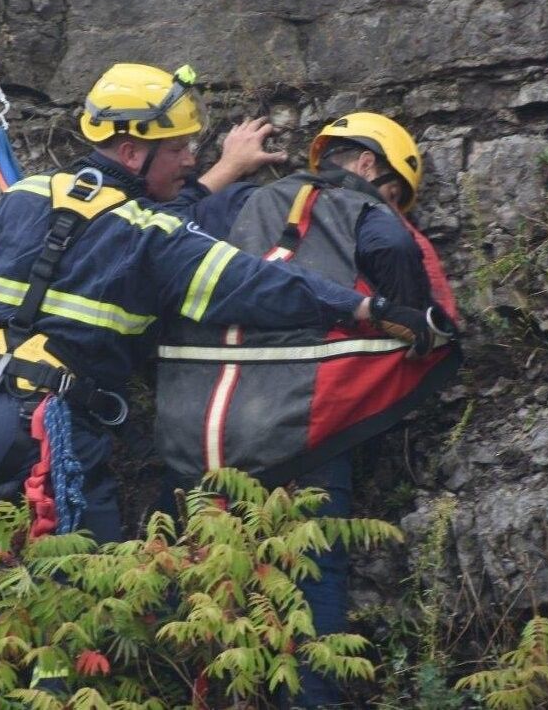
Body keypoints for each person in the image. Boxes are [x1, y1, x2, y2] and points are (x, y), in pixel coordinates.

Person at [0, 67, 437, 648]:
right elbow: (259, 284)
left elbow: (121, 218)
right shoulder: (155, 238)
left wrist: (223, 171)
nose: (191, 160)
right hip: (46, 436)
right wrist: (368, 311)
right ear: (131, 150)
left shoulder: (22, 199)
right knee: (91, 608)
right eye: (179, 149)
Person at [154, 112, 461, 708]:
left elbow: (165, 234)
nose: (390, 204)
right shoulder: (366, 212)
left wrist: (224, 167)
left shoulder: (237, 201)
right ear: (370, 165)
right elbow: (400, 269)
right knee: (313, 576)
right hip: (298, 426)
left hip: (198, 430)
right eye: (394, 192)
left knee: (198, 581)